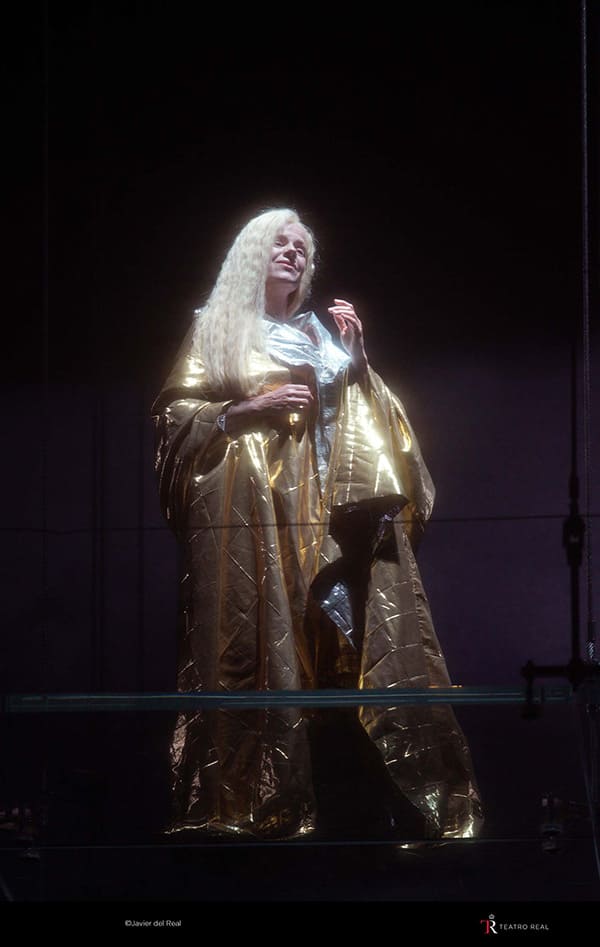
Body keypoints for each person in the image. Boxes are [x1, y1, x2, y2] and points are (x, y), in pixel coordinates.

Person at [152, 207, 483, 841]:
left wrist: (356, 364)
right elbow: (176, 419)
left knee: (353, 641)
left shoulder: (320, 335)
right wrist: (251, 407)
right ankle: (248, 806)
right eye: (279, 242)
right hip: (255, 522)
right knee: (261, 643)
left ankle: (390, 809)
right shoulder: (216, 330)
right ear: (252, 255)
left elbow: (371, 427)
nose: (293, 252)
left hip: (330, 521)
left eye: (301, 246)